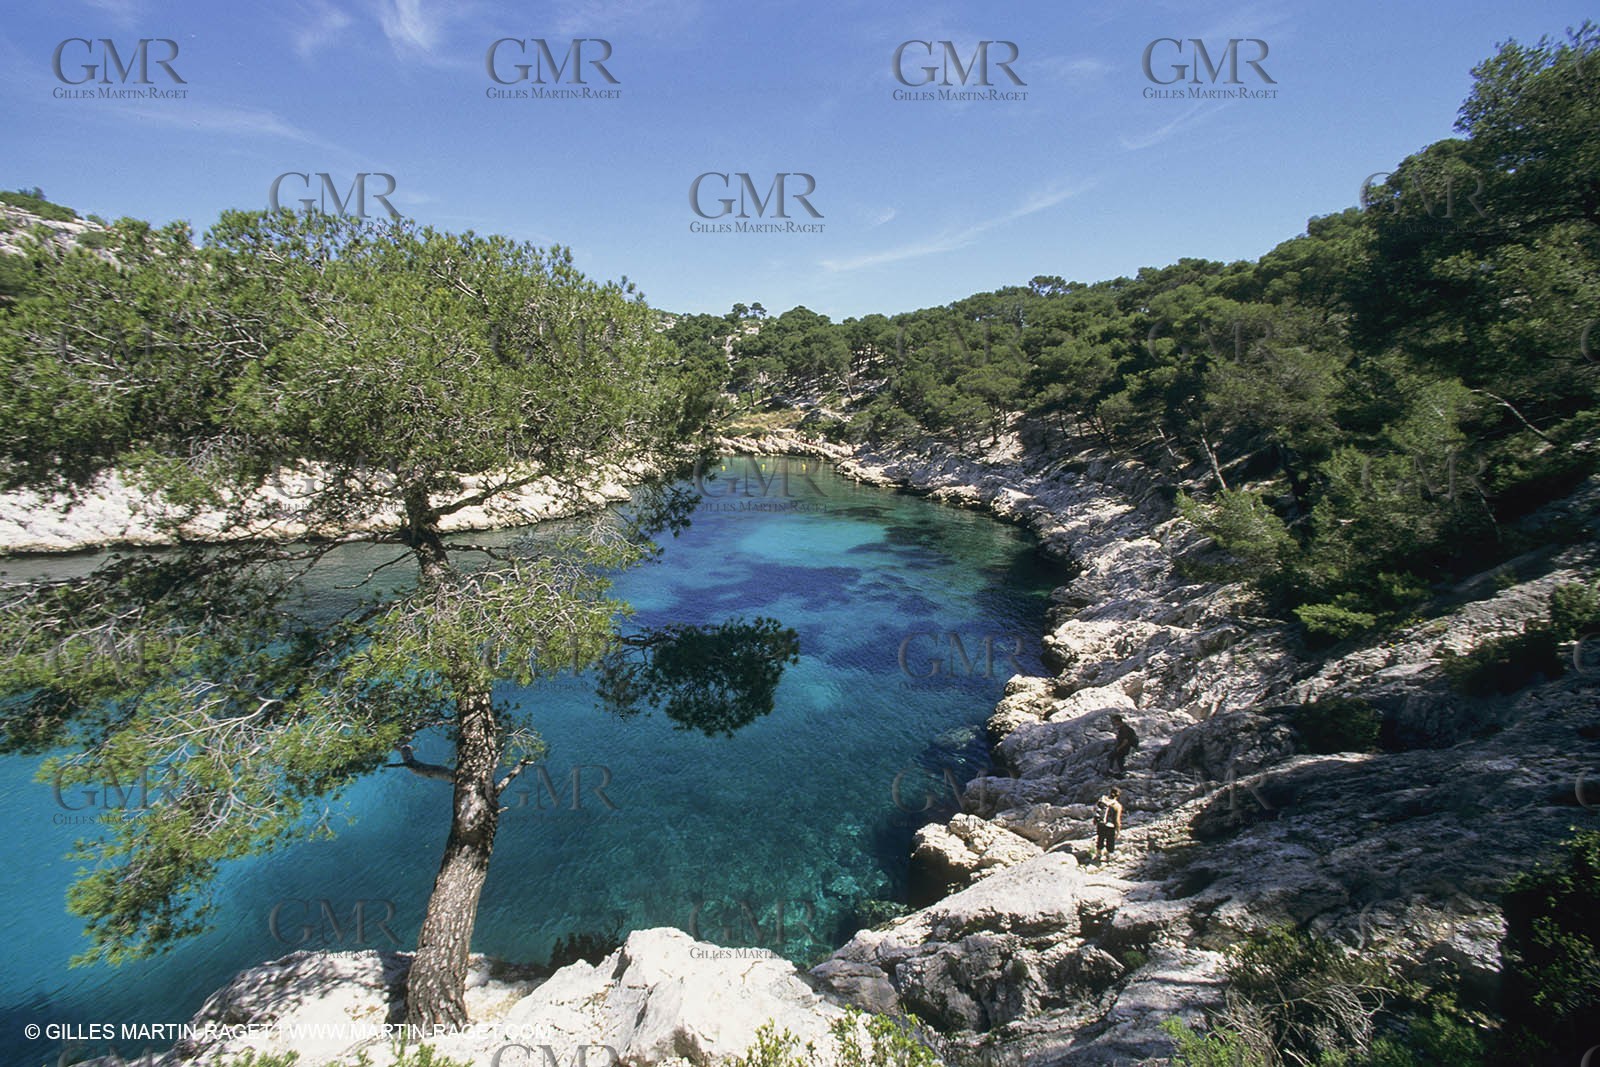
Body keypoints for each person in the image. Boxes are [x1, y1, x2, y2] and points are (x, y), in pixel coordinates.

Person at [1092, 786, 1123, 861]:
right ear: (1118, 796)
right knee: (1110, 840)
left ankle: (1098, 854)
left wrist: (1095, 820)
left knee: (1100, 838)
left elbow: (1095, 809)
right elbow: (1117, 820)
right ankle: (1109, 856)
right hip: (1110, 826)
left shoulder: (1102, 800)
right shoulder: (1117, 805)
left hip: (1101, 824)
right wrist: (1118, 830)